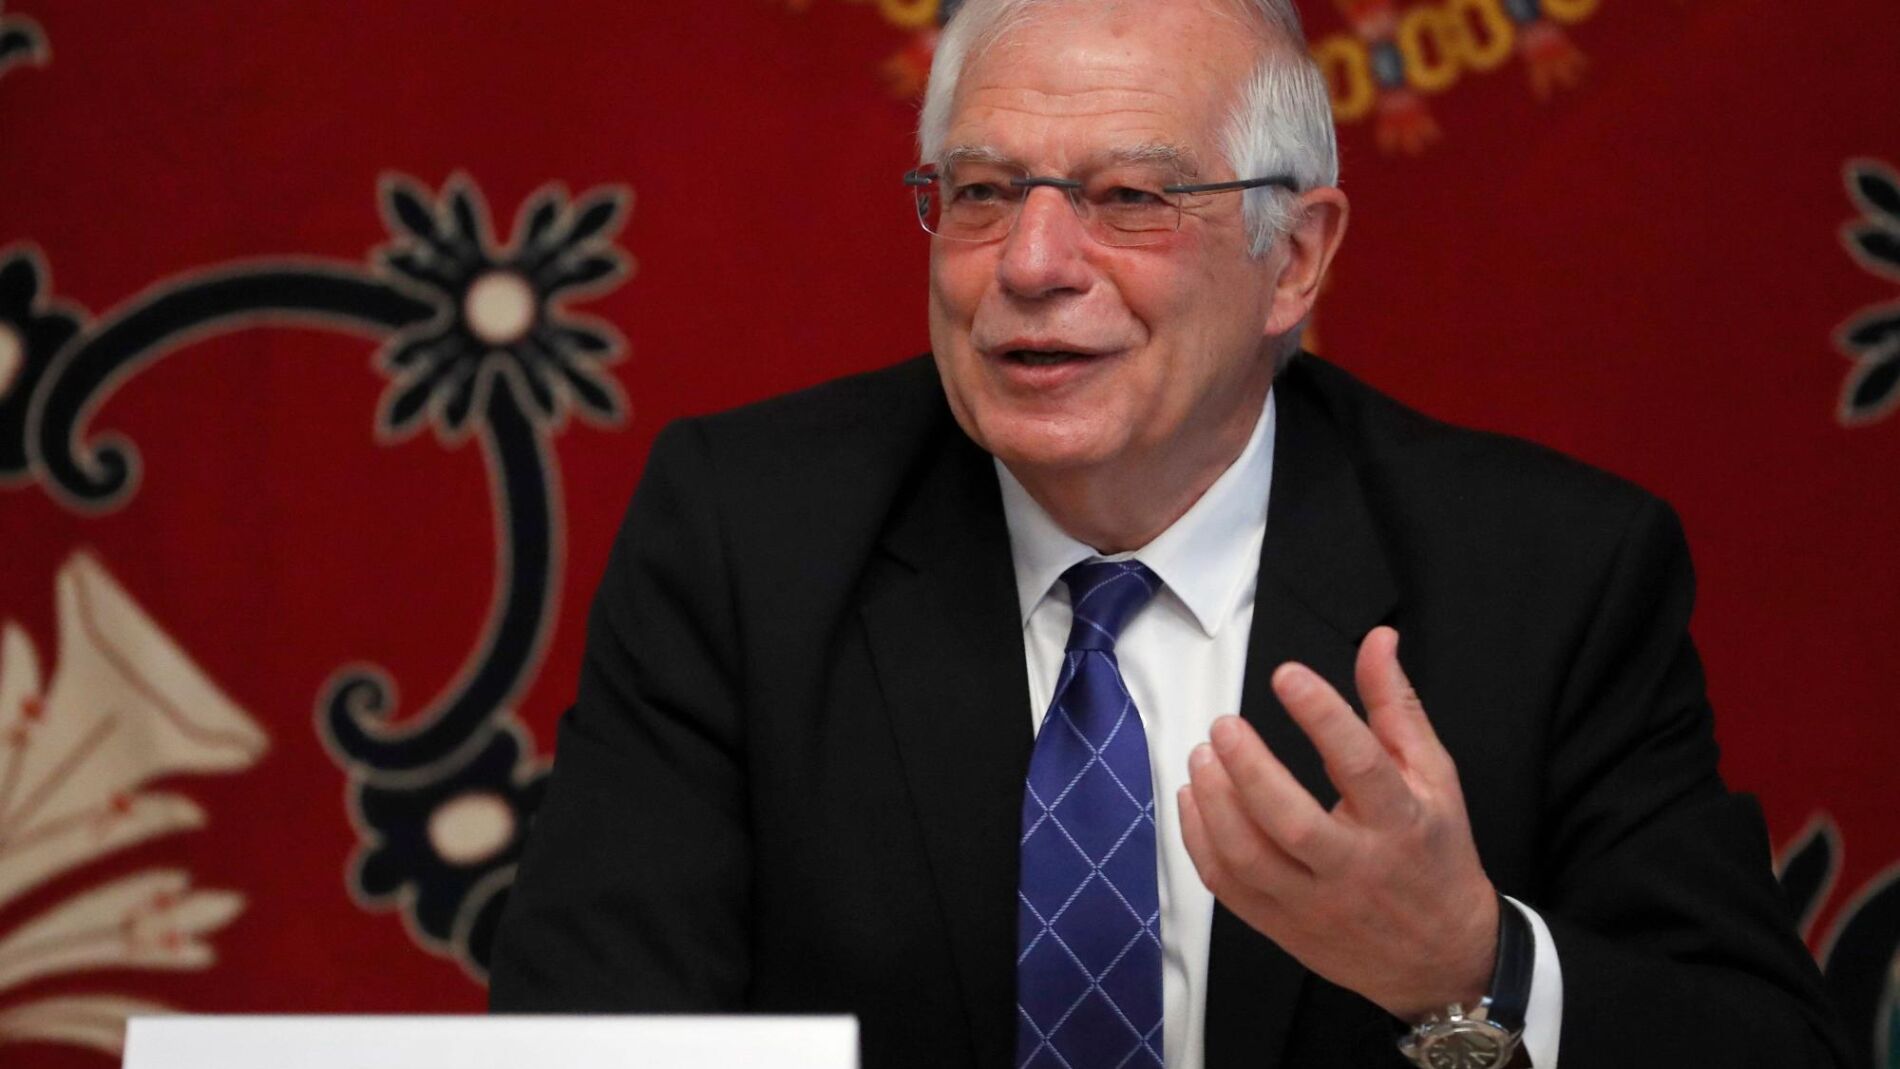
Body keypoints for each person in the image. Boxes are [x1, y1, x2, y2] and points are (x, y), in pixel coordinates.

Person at [489, 0, 1849, 1066]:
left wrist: (1469, 963)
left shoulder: (1548, 577)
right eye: (981, 192)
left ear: (1294, 257)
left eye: (1130, 198)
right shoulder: (747, 536)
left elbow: (1771, 1049)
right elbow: (590, 1035)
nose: (1030, 264)